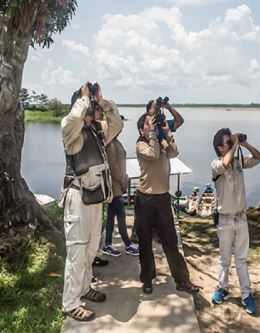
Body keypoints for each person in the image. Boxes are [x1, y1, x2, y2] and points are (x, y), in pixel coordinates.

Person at [59, 82, 123, 321]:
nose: (91, 107)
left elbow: (117, 124)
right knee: (77, 251)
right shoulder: (69, 128)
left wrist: (101, 101)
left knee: (91, 248)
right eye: (88, 103)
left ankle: (84, 288)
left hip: (95, 197)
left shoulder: (96, 130)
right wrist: (83, 97)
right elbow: (74, 118)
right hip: (78, 198)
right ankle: (70, 302)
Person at [134, 109, 199, 295]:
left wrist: (166, 132)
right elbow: (153, 155)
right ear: (141, 130)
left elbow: (174, 152)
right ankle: (147, 279)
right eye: (148, 123)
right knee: (145, 242)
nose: (152, 125)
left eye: (152, 122)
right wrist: (154, 134)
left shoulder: (160, 140)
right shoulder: (141, 145)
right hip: (145, 198)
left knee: (171, 241)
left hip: (162, 198)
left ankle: (182, 280)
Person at [210, 128, 260, 315]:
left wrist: (244, 144)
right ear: (220, 147)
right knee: (224, 259)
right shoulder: (216, 164)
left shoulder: (239, 161)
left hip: (241, 218)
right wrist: (234, 145)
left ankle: (246, 294)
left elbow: (259, 158)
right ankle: (222, 288)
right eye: (228, 142)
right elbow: (224, 163)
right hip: (224, 220)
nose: (232, 145)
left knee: (241, 260)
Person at [130, 98, 184, 243]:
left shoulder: (161, 126)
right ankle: (139, 236)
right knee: (143, 232)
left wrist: (168, 107)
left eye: (159, 109)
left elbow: (179, 122)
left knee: (165, 233)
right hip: (147, 190)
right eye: (155, 109)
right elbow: (152, 154)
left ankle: (158, 234)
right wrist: (152, 131)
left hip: (161, 188)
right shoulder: (143, 138)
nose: (158, 112)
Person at [93, 104, 139, 257]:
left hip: (117, 186)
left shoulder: (114, 141)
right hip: (115, 186)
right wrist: (123, 180)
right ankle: (127, 244)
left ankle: (107, 244)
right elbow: (113, 167)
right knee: (121, 215)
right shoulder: (110, 144)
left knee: (112, 216)